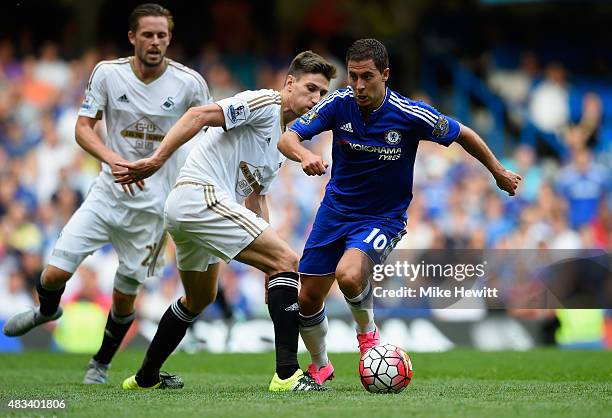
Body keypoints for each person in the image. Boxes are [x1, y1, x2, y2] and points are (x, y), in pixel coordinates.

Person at [277, 39, 522, 385]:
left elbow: (463, 133)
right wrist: (304, 156)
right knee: (308, 297)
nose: (358, 86)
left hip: (383, 218)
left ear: (385, 75)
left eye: (367, 77)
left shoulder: (409, 114)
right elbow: (288, 137)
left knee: (348, 274)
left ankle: (368, 337)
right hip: (334, 212)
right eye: (353, 77)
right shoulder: (337, 103)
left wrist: (497, 171)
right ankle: (321, 366)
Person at [3, 3, 212, 387]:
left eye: (162, 35)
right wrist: (114, 160)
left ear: (170, 38)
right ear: (132, 37)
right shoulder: (108, 74)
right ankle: (47, 311)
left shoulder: (190, 83)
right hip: (106, 195)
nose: (155, 42)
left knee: (123, 298)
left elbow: (209, 133)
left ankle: (99, 363)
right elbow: (83, 128)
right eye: (147, 35)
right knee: (52, 275)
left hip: (152, 209)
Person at [113, 51, 336, 391]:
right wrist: (157, 159)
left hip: (189, 212)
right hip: (199, 196)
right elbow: (199, 114)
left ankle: (145, 378)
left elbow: (256, 198)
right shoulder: (264, 102)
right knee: (289, 260)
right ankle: (288, 375)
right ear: (289, 83)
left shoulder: (280, 142)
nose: (316, 99)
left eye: (323, 93)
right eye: (311, 88)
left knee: (199, 298)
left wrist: (270, 270)